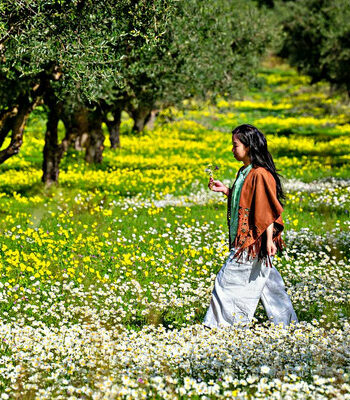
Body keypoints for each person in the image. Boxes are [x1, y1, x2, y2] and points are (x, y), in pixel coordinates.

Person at [203, 124, 298, 330]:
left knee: (226, 283)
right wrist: (227, 191)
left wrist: (268, 242)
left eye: (235, 145)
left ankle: (222, 328)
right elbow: (248, 201)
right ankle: (288, 326)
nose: (232, 149)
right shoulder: (246, 171)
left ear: (249, 146)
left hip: (252, 242)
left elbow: (266, 211)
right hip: (250, 239)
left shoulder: (260, 174)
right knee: (270, 287)